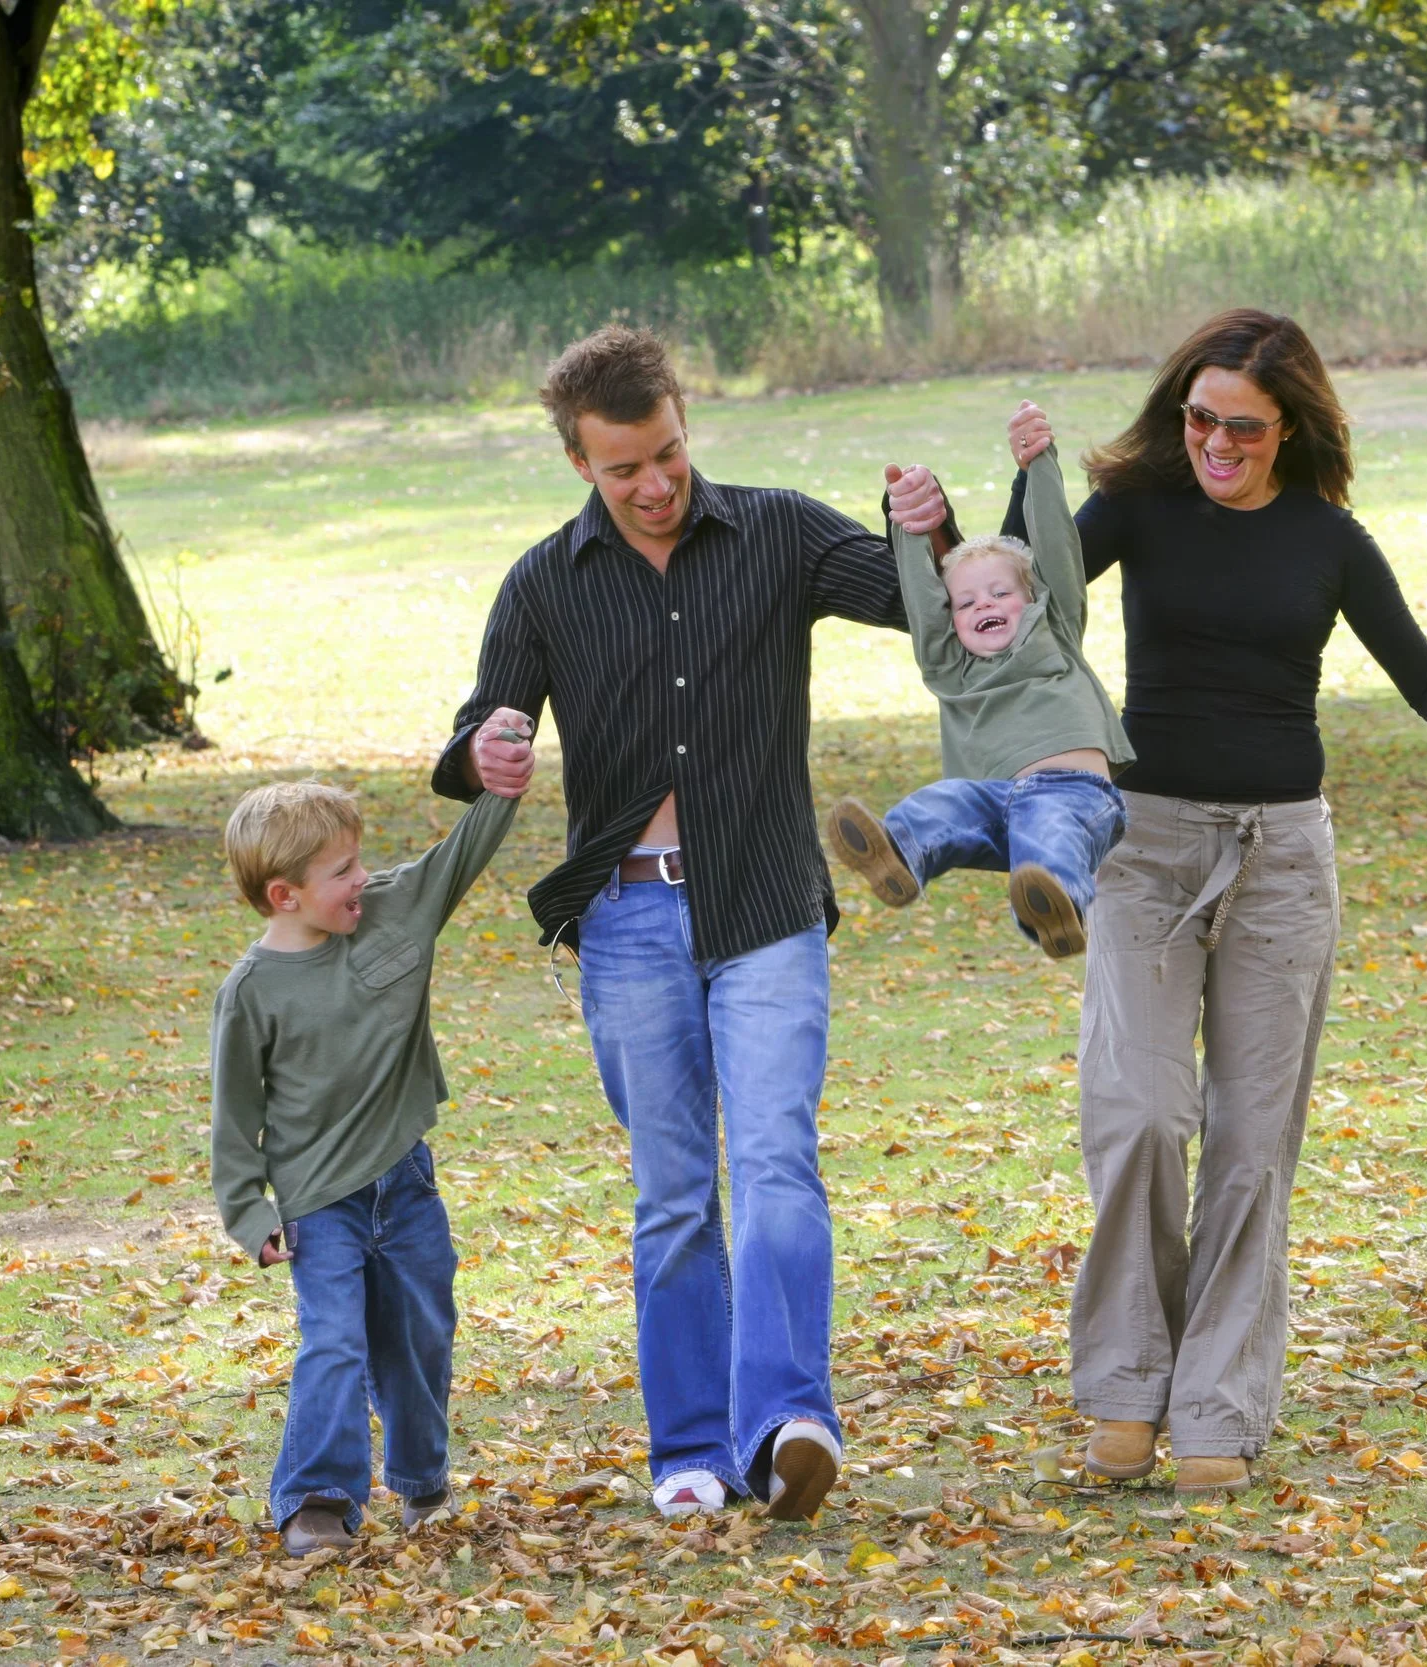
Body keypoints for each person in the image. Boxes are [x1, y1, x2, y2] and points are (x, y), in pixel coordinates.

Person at [1003, 310, 1427, 1493]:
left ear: (1288, 426)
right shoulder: (1140, 508)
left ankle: (1214, 1405)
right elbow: (1027, 598)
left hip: (1279, 862)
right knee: (1140, 1118)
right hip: (1143, 846)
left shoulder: (1329, 538)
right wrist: (1028, 489)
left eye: (1240, 427)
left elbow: (1421, 675)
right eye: (1198, 417)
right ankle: (1122, 1386)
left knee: (1252, 1148)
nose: (1214, 440)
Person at [433, 325, 954, 1521]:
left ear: (683, 422)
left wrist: (929, 523)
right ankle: (690, 1450)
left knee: (775, 1161)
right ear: (581, 464)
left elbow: (925, 605)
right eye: (626, 470)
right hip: (625, 921)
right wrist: (485, 749)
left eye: (668, 453)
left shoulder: (775, 528)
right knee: (674, 1191)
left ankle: (786, 1424)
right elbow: (471, 742)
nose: (656, 485)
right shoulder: (543, 583)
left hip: (766, 902)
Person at [209, 770, 524, 1555]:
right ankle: (317, 1498)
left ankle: (422, 1482)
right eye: (342, 870)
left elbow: (460, 854)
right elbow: (233, 1123)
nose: (363, 878)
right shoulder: (250, 994)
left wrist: (504, 785)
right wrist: (252, 1215)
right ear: (285, 895)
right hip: (320, 1205)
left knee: (421, 1334)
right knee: (336, 1342)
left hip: (406, 1183)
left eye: (360, 860)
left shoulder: (393, 910)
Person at [824, 431, 1132, 959]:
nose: (981, 604)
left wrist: (1039, 465)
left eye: (999, 593)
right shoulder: (952, 670)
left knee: (1048, 833)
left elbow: (1057, 544)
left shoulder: (1053, 629)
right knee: (944, 801)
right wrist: (909, 528)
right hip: (996, 806)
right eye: (964, 602)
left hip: (1075, 795)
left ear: (1031, 599)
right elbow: (923, 601)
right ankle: (899, 854)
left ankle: (1057, 910)